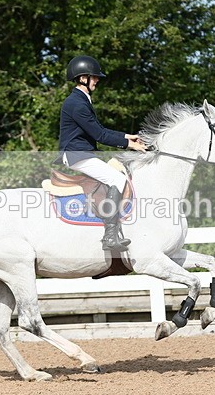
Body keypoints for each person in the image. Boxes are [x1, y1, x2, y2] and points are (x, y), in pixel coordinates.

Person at [57, 55, 147, 252]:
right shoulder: (77, 104)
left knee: (117, 174)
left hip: (81, 154)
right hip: (76, 155)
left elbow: (99, 128)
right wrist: (129, 145)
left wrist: (126, 136)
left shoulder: (81, 100)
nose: (97, 80)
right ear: (82, 78)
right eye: (94, 77)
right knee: (117, 180)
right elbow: (99, 135)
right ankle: (110, 236)